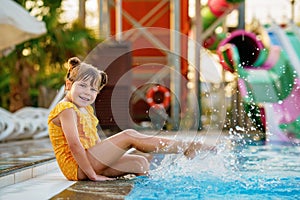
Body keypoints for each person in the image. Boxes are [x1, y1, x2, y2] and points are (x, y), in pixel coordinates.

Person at [48, 57, 215, 182]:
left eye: (93, 89)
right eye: (82, 86)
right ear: (69, 85)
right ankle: (186, 146)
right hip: (77, 168)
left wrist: (108, 157)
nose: (87, 92)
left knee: (140, 163)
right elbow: (75, 145)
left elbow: (94, 142)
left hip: (90, 160)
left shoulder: (84, 109)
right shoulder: (66, 109)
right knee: (129, 135)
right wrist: (93, 176)